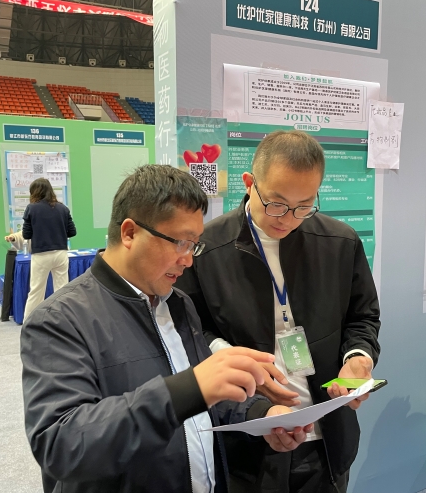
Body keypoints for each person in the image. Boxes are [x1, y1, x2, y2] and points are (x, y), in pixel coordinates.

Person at [21, 165, 311, 493]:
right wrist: (188, 388)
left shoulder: (178, 304)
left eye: (194, 245)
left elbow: (205, 401)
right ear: (129, 233)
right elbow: (62, 445)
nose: (188, 260)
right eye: (180, 243)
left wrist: (261, 415)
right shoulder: (59, 320)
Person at [176, 131, 381, 493]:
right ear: (250, 183)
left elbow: (362, 316)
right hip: (249, 435)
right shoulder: (206, 249)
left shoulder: (339, 242)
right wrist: (233, 360)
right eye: (277, 203)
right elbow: (190, 332)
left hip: (326, 434)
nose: (288, 218)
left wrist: (358, 358)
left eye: (304, 206)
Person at [21, 178, 77, 321]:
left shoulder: (31, 208)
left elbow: (26, 234)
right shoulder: (63, 208)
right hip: (61, 253)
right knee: (62, 290)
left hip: (40, 255)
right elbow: (72, 232)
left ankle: (29, 322)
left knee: (36, 291)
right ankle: (64, 322)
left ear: (34, 192)